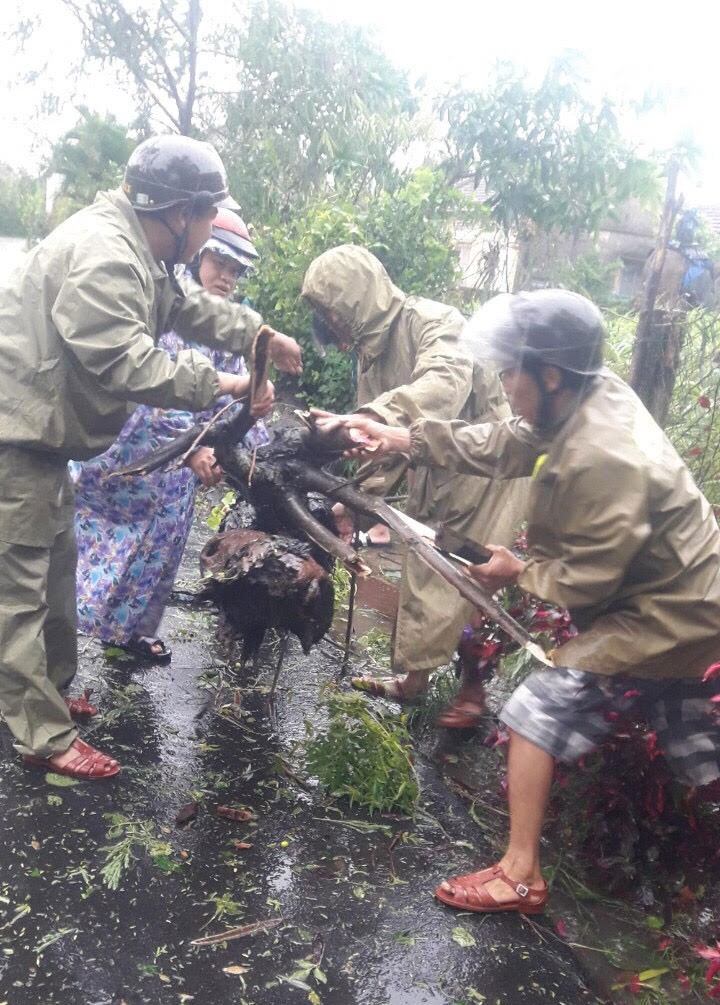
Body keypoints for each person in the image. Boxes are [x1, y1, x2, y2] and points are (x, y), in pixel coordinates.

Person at [323, 288, 720, 913]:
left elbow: (589, 580)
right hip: (695, 603)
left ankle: (520, 874)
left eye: (511, 371)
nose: (503, 383)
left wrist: (518, 571)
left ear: (551, 374)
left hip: (666, 613)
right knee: (698, 746)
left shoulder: (601, 454)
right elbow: (503, 443)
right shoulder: (581, 399)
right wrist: (402, 438)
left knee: (536, 710)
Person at [0, 134, 302, 780]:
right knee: (19, 593)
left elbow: (188, 307)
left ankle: (47, 698)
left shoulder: (141, 249)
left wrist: (258, 337)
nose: (206, 238)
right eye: (205, 219)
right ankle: (40, 735)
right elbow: (123, 360)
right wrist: (219, 383)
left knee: (56, 575)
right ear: (178, 212)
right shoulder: (107, 256)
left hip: (45, 440)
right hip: (16, 439)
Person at [302, 245, 527, 723]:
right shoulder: (370, 352)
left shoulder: (435, 321)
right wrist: (355, 505)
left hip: (486, 465)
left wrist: (373, 417)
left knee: (470, 575)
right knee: (424, 571)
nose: (331, 323)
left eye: (332, 311)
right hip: (436, 466)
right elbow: (379, 447)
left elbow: (444, 385)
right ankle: (414, 683)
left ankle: (473, 691)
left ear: (356, 300)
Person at [71, 208, 271, 663]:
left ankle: (130, 633)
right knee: (109, 548)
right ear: (198, 256)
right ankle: (64, 642)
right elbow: (147, 391)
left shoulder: (229, 323)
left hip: (179, 474)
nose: (226, 276)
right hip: (133, 455)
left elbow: (235, 399)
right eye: (219, 263)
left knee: (160, 552)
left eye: (235, 270)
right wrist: (193, 451)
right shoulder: (166, 307)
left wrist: (259, 452)